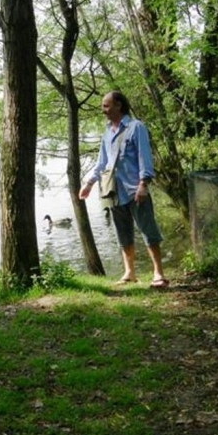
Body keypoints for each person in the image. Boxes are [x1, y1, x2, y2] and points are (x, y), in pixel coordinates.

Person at [78, 91, 169, 288]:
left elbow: (144, 156)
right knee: (122, 233)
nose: (103, 110)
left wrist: (143, 184)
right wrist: (89, 183)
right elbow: (102, 162)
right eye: (103, 106)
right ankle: (129, 273)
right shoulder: (107, 133)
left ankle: (158, 274)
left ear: (119, 105)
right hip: (114, 191)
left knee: (148, 230)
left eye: (106, 106)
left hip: (135, 190)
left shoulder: (136, 127)